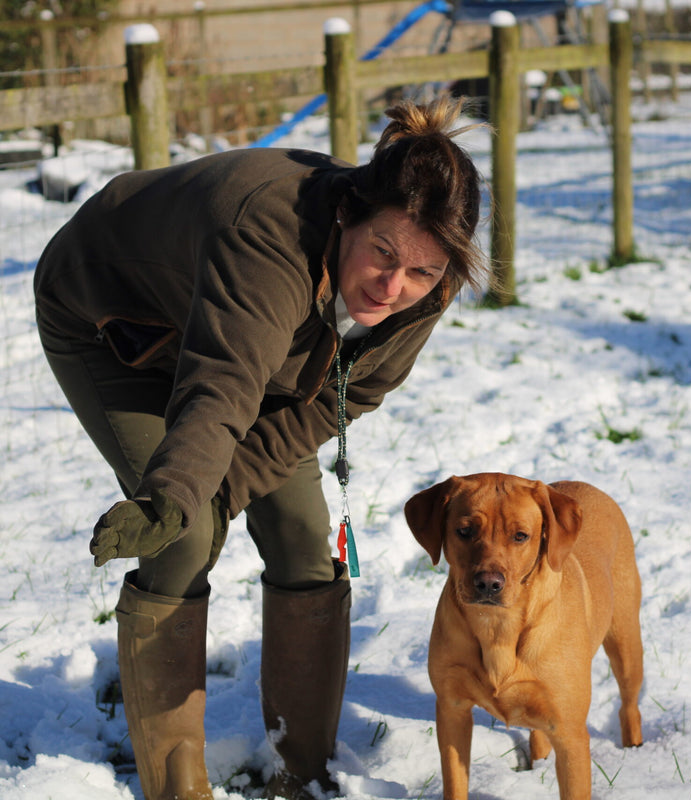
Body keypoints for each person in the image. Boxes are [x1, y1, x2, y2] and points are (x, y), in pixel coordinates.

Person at [33, 95, 485, 800]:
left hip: (267, 358)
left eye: (420, 273)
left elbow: (353, 391)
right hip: (115, 320)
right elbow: (222, 386)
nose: (393, 288)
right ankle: (176, 781)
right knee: (183, 536)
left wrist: (233, 481)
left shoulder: (430, 278)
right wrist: (180, 497)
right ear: (348, 215)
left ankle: (300, 770)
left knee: (305, 533)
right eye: (383, 255)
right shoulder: (268, 238)